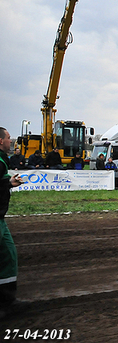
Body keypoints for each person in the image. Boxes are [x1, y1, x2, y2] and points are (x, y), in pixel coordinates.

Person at [0, 127, 27, 318]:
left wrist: (8, 182)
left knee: (9, 255)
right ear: (1, 141)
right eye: (9, 138)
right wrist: (7, 183)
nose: (11, 141)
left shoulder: (2, 161)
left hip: (1, 218)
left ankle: (7, 301)